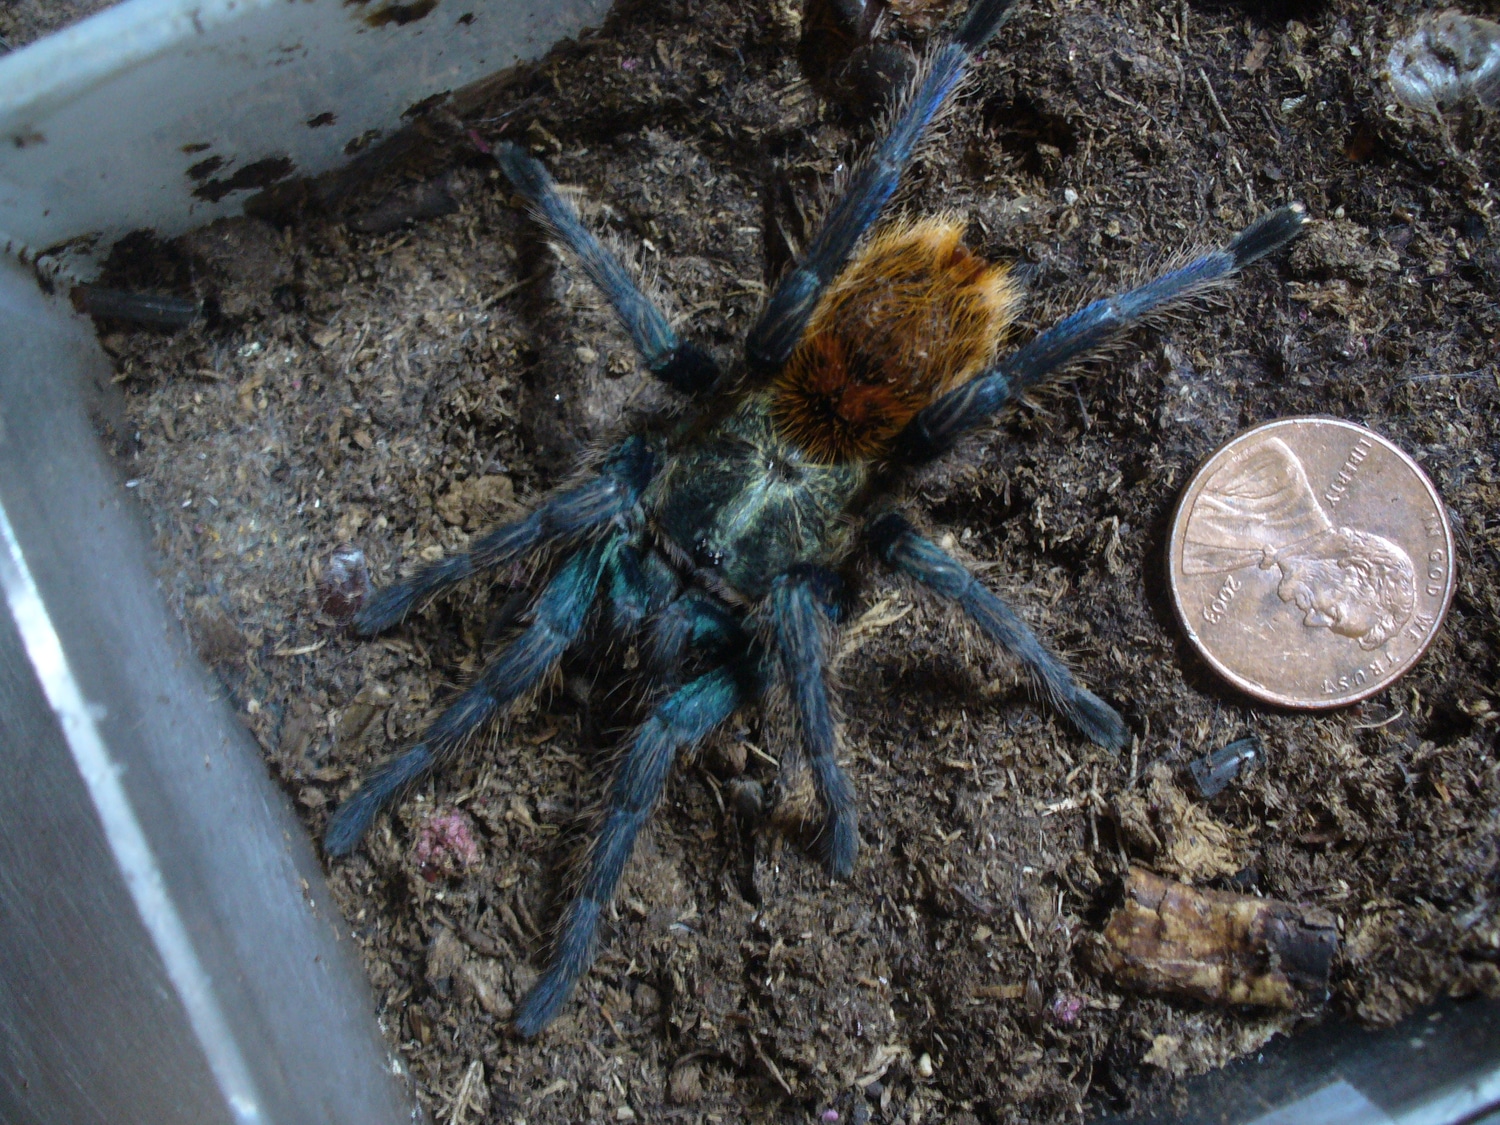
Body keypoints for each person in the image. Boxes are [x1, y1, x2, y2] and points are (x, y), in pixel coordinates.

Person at [1183, 437, 1416, 650]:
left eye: (1328, 623)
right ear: (1354, 568)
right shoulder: (1277, 473)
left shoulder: (1258, 558)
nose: (1311, 620)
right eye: (1334, 613)